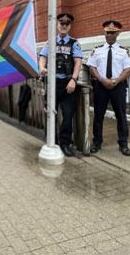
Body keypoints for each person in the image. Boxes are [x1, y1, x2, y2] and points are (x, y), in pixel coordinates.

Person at [86, 20, 130, 156]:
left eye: (113, 33)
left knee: (121, 116)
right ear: (104, 33)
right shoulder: (97, 50)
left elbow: (128, 69)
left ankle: (123, 144)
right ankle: (96, 142)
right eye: (108, 32)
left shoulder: (124, 51)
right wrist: (102, 80)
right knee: (98, 116)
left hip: (118, 87)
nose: (110, 35)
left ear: (118, 34)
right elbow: (92, 67)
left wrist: (115, 81)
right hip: (101, 87)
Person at [38, 12, 83, 157]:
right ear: (57, 25)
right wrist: (42, 68)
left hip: (67, 84)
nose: (64, 26)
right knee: (49, 114)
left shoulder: (74, 43)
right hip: (52, 83)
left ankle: (64, 144)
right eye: (61, 23)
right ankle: (51, 141)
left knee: (68, 115)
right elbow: (42, 57)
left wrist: (74, 80)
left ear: (70, 26)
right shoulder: (51, 41)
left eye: (67, 24)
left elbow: (78, 62)